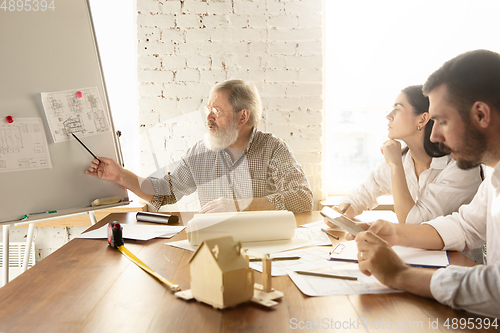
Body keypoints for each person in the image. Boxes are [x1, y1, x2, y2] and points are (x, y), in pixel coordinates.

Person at [350, 49, 500, 317]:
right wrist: (396, 233)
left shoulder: (467, 169)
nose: (435, 136)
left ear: (480, 115)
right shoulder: (494, 178)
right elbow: (466, 226)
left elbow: (496, 290)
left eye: (442, 121)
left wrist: (401, 275)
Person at [86, 79, 313, 214]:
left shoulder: (273, 149)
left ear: (243, 117)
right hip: (216, 248)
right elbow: (165, 192)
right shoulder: (200, 152)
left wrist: (242, 204)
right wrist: (121, 176)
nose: (209, 117)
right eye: (208, 109)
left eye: (217, 111)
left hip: (265, 248)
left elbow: (303, 198)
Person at [333, 85, 482, 224]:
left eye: (397, 109)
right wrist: (339, 213)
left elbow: (412, 222)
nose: (389, 116)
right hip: (414, 251)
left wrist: (395, 165)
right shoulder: (404, 159)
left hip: (452, 253)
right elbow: (360, 195)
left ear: (422, 119)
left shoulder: (460, 168)